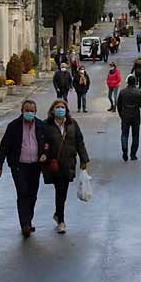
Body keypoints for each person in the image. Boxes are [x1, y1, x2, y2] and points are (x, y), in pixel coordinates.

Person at [0, 100, 50, 237]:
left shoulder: (41, 126)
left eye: (32, 111)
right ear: (22, 111)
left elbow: (48, 145)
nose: (29, 113)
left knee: (32, 194)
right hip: (19, 165)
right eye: (27, 110)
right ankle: (24, 224)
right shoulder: (14, 126)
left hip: (35, 166)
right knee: (22, 193)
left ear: (36, 112)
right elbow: (4, 146)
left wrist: (45, 154)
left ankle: (28, 221)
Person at [42, 100, 89, 234]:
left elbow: (79, 141)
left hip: (68, 163)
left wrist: (83, 159)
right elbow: (42, 142)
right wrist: (44, 155)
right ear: (52, 110)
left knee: (63, 191)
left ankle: (58, 213)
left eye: (63, 107)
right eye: (58, 107)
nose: (60, 110)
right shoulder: (46, 125)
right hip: (54, 164)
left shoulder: (72, 124)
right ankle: (61, 220)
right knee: (60, 189)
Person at [116, 74, 141, 161]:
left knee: (124, 134)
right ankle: (133, 154)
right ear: (135, 82)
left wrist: (121, 115)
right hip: (135, 117)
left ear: (128, 82)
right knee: (135, 136)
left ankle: (124, 150)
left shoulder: (122, 92)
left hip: (125, 116)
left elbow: (118, 105)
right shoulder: (138, 92)